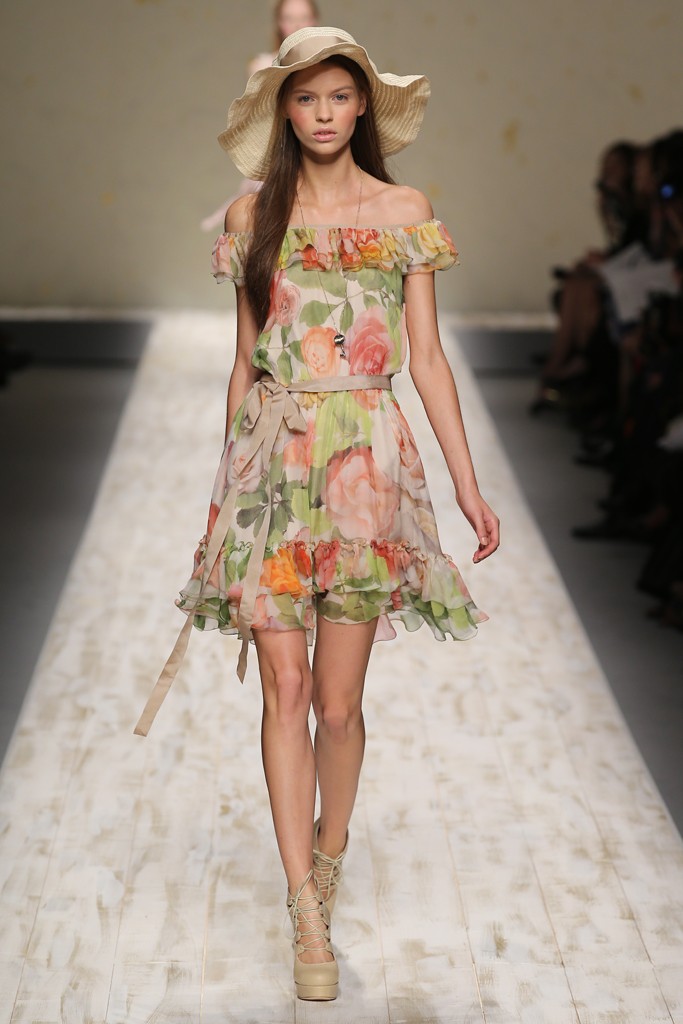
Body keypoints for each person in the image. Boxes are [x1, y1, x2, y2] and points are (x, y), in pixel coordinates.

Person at [136, 26, 499, 1002]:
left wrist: (465, 485)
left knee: (338, 705)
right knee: (285, 689)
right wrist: (223, 494)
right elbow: (242, 361)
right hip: (271, 465)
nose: (325, 113)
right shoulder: (253, 215)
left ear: (363, 106)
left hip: (366, 467)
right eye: (306, 98)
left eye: (340, 96)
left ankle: (328, 853)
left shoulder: (404, 212)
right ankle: (303, 904)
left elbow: (426, 360)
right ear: (283, 110)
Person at [200, 0, 320, 232]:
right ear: (279, 23)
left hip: (321, 154)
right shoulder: (262, 66)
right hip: (278, 156)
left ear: (314, 21)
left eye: (303, 18)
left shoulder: (329, 65)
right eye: (289, 18)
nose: (297, 25)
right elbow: (263, 119)